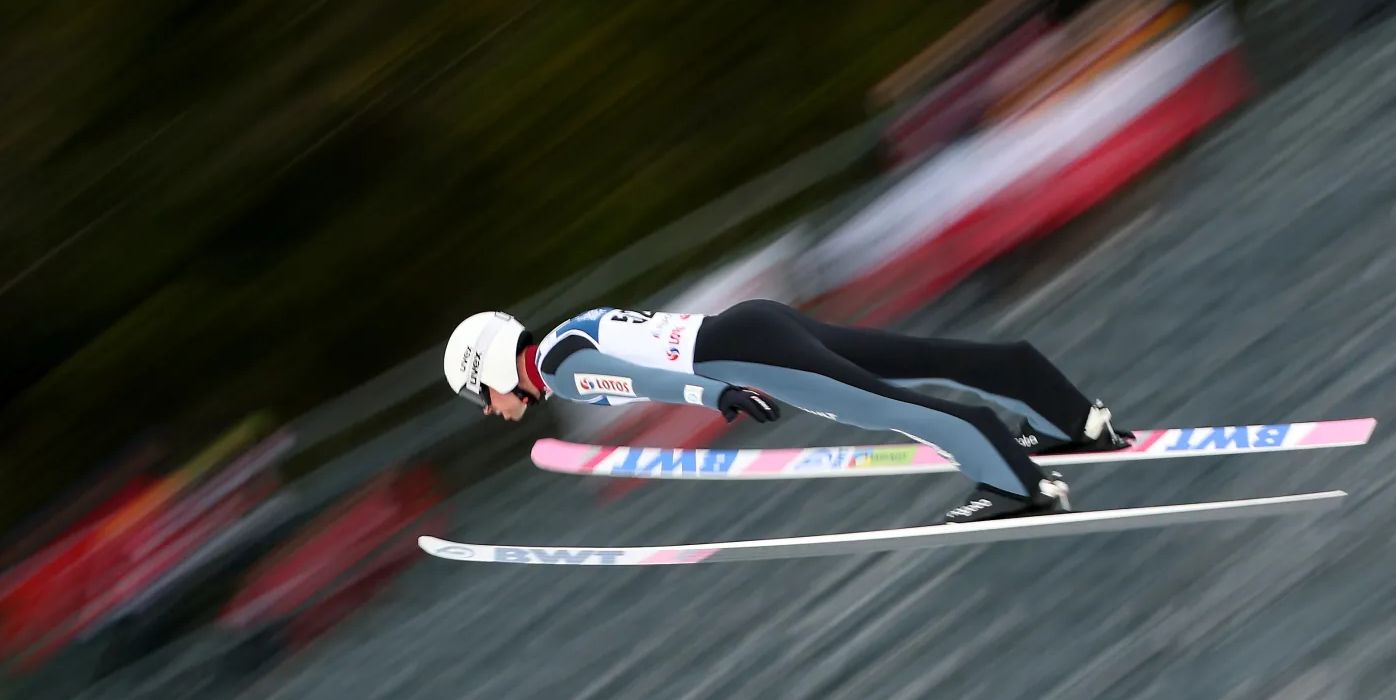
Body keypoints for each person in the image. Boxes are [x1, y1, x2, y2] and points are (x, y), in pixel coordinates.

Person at [443, 300, 1134, 523]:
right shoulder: (568, 330)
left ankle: (1021, 484)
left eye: (482, 397)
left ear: (493, 370)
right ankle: (1071, 420)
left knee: (883, 404)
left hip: (745, 353)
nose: (490, 410)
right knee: (922, 356)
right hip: (752, 327)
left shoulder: (561, 369)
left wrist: (717, 395)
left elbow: (640, 378)